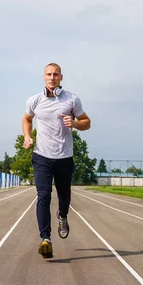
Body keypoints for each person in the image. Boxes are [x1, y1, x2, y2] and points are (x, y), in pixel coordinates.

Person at [22, 63, 91, 258]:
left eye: (55, 74)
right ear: (44, 77)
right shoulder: (34, 100)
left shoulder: (72, 99)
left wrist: (76, 123)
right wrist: (27, 137)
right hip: (42, 156)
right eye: (49, 74)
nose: (52, 77)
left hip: (64, 157)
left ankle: (62, 216)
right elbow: (27, 119)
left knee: (64, 197)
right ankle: (46, 239)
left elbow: (87, 122)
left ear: (61, 77)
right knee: (43, 195)